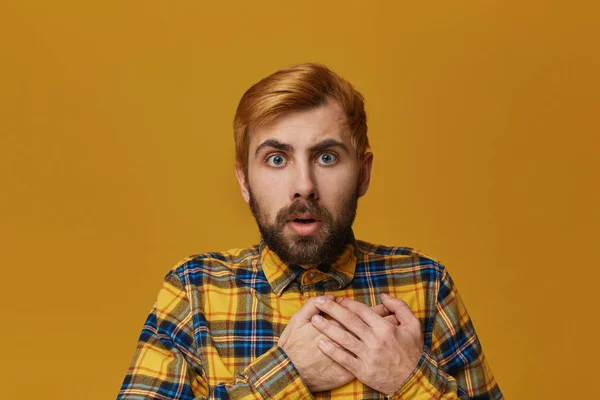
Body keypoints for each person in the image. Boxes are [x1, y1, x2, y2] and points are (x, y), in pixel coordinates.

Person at [117, 63, 503, 399]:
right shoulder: (195, 290)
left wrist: (408, 379)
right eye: (277, 158)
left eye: (326, 157)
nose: (304, 184)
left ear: (363, 174)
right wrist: (287, 374)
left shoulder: (425, 284)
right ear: (244, 180)